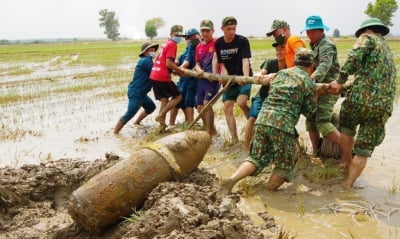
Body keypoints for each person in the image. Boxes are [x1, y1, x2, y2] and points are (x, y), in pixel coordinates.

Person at [220, 48, 317, 194]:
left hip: (262, 119)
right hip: (282, 126)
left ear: (295, 61)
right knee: (284, 164)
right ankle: (267, 192)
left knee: (256, 157)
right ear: (311, 66)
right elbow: (309, 112)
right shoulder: (308, 82)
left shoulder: (280, 74)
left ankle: (232, 180)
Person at [328, 18, 397, 188]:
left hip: (359, 100)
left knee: (346, 126)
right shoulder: (388, 49)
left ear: (366, 31)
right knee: (364, 150)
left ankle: (345, 160)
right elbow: (371, 79)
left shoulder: (367, 38)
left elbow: (353, 58)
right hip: (383, 106)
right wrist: (346, 87)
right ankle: (348, 185)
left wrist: (339, 81)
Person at [302, 15, 341, 155]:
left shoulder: (326, 45)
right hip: (318, 87)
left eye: (313, 31)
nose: (309, 35)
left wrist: (311, 78)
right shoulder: (314, 45)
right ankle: (316, 151)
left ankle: (350, 149)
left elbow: (325, 64)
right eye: (308, 32)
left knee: (322, 121)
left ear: (321, 30)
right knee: (311, 118)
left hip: (330, 88)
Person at [213, 16, 252, 142]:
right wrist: (223, 76)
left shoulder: (242, 41)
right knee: (227, 107)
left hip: (243, 77)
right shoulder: (218, 43)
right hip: (230, 80)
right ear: (222, 29)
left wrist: (245, 78)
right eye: (229, 29)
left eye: (234, 29)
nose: (231, 32)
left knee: (241, 102)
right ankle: (234, 139)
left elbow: (245, 60)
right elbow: (222, 63)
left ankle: (254, 127)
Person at [243, 41, 286, 151]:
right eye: (277, 49)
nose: (279, 51)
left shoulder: (290, 66)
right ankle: (247, 149)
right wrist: (260, 76)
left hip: (279, 100)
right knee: (252, 118)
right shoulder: (271, 62)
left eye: (282, 48)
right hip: (262, 96)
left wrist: (274, 76)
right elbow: (261, 73)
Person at [114, 42, 159, 134]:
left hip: (142, 93)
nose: (153, 52)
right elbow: (156, 71)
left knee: (151, 107)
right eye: (151, 50)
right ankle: (115, 133)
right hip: (136, 93)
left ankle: (137, 123)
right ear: (145, 52)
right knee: (129, 114)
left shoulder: (148, 61)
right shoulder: (145, 61)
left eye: (154, 50)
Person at [150, 25, 185, 130]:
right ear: (171, 34)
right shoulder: (172, 45)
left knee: (164, 100)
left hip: (154, 75)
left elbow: (157, 60)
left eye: (180, 35)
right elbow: (169, 63)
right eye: (176, 35)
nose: (179, 37)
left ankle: (161, 126)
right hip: (162, 76)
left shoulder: (165, 44)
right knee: (178, 97)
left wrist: (173, 71)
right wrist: (180, 70)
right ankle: (160, 116)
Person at [169, 28, 201, 126]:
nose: (190, 39)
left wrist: (179, 68)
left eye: (193, 37)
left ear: (198, 35)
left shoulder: (202, 46)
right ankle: (172, 123)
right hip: (184, 79)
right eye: (188, 38)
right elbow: (184, 60)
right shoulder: (189, 49)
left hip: (195, 79)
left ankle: (190, 123)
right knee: (177, 101)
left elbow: (193, 62)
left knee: (189, 102)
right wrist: (176, 66)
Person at [194, 19, 221, 136]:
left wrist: (215, 74)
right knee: (199, 106)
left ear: (213, 31)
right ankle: (210, 128)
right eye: (203, 31)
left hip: (212, 80)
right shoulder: (198, 47)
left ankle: (209, 133)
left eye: (207, 31)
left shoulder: (217, 43)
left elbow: (220, 60)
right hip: (202, 80)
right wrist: (198, 69)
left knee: (207, 104)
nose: (205, 33)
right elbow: (197, 63)